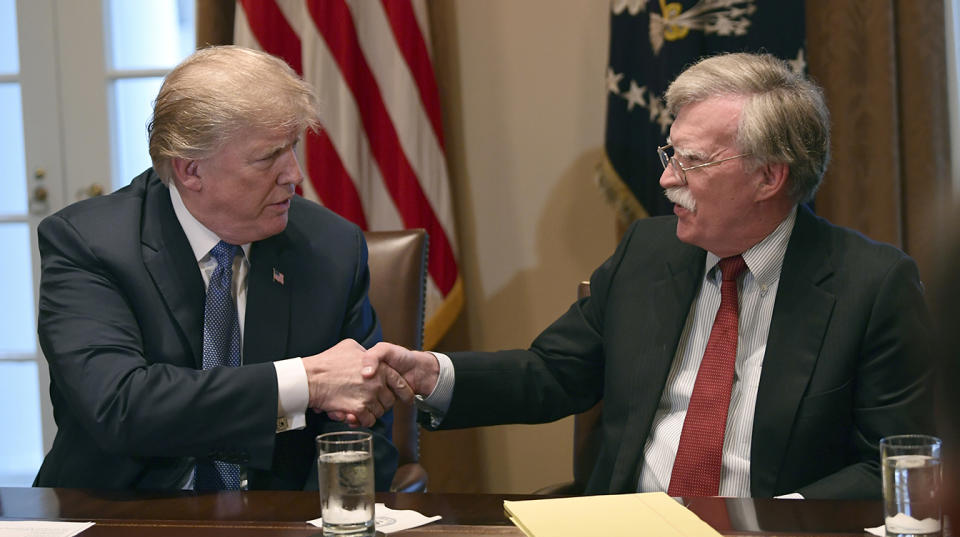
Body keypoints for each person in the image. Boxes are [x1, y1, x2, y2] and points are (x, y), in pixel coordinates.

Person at [364, 52, 933, 499]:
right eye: (670, 154)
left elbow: (894, 462)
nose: (666, 180)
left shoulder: (871, 284)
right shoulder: (647, 251)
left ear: (769, 177)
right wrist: (430, 373)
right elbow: (554, 372)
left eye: (692, 161)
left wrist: (778, 518)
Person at [33, 46, 412, 491]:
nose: (294, 174)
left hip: (279, 522)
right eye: (268, 156)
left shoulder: (331, 247)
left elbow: (361, 425)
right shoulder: (88, 243)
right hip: (120, 513)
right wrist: (303, 382)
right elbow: (120, 406)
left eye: (292, 147)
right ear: (191, 170)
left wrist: (318, 522)